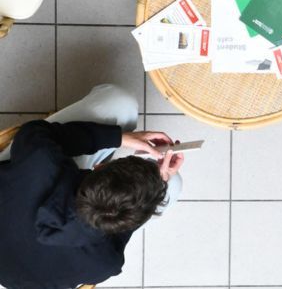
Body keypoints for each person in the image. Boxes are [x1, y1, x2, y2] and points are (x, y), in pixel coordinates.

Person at [0, 84, 185, 289]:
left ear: (100, 166)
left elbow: (35, 132)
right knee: (173, 185)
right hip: (14, 277)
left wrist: (118, 138)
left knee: (121, 103)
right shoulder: (105, 263)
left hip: (14, 215)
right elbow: (123, 230)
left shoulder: (40, 159)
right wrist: (158, 183)